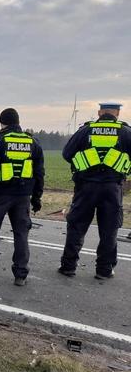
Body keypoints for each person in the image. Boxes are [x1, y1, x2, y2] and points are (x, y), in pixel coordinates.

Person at [59, 102, 131, 280]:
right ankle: (104, 270)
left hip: (86, 187)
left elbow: (67, 154)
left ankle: (68, 266)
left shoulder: (86, 130)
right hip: (113, 188)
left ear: (99, 112)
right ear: (118, 113)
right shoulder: (125, 132)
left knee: (76, 226)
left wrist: (86, 162)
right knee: (109, 229)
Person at [0, 108, 45, 286]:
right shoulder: (32, 142)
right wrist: (37, 197)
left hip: (0, 194)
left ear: (2, 122)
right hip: (23, 196)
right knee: (21, 233)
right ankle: (20, 275)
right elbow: (39, 173)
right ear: (18, 122)